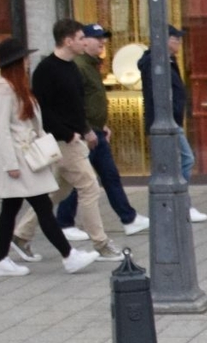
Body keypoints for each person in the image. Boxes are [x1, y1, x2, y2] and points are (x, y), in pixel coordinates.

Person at [0, 36, 100, 276]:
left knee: (12, 209)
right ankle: (68, 255)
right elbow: (2, 128)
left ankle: (0, 259)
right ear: (16, 62)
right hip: (17, 158)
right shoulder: (4, 87)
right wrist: (10, 164)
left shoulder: (18, 86)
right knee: (41, 207)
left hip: (27, 156)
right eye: (24, 58)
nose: (28, 61)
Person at [54, 22, 148, 241]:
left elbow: (91, 100)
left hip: (95, 130)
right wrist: (85, 129)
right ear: (82, 41)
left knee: (108, 176)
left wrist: (101, 124)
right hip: (86, 133)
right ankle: (64, 223)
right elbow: (75, 103)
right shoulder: (79, 66)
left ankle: (128, 218)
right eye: (97, 38)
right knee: (81, 181)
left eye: (103, 38)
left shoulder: (90, 65)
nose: (102, 43)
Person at [29, 21, 115, 258]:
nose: (83, 41)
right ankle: (101, 243)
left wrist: (88, 129)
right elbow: (43, 111)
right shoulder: (46, 70)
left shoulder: (72, 68)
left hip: (73, 137)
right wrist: (71, 133)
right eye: (79, 38)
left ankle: (21, 234)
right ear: (68, 41)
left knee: (57, 191)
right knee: (89, 187)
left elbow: (77, 106)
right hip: (61, 140)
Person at [140, 26, 207, 222]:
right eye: (175, 39)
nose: (179, 43)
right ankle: (180, 203)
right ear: (164, 40)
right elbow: (157, 93)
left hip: (171, 121)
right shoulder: (155, 61)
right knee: (184, 159)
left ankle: (179, 203)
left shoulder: (168, 61)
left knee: (178, 161)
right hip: (164, 122)